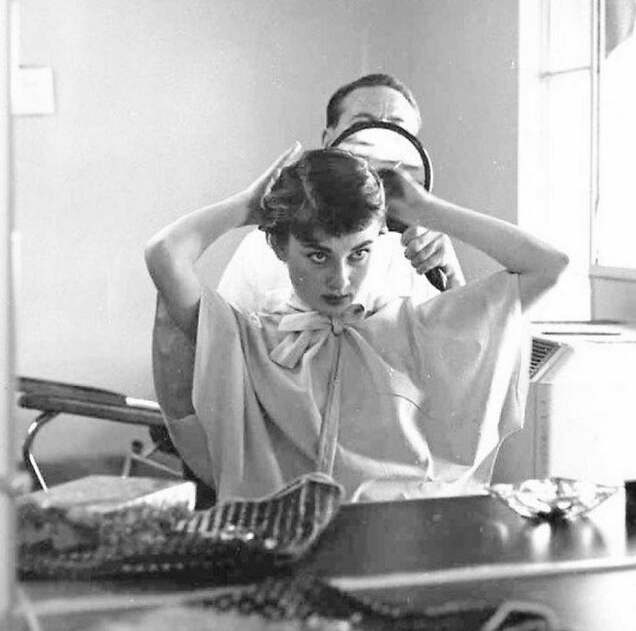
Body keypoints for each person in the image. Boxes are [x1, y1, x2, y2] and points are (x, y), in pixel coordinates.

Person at [146, 146, 568, 503]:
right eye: (318, 256)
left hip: (397, 547)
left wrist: (426, 210)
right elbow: (164, 254)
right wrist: (246, 206)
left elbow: (549, 265)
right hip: (282, 551)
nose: (341, 280)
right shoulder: (244, 342)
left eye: (359, 253)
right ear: (278, 246)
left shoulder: (416, 329)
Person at [217, 73, 465, 310]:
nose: (381, 142)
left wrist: (452, 276)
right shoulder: (261, 249)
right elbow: (221, 334)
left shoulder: (419, 255)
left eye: (397, 129)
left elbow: (461, 336)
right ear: (329, 140)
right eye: (363, 125)